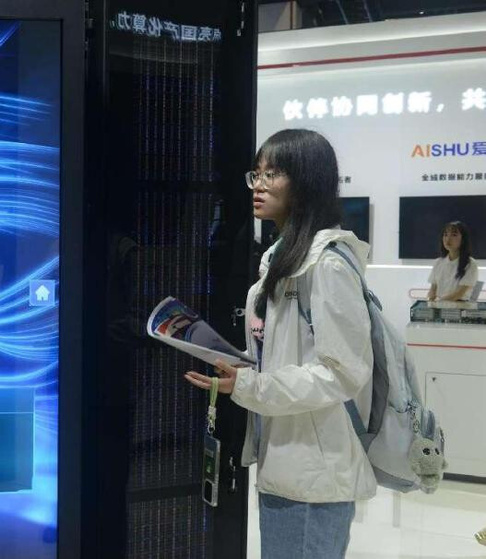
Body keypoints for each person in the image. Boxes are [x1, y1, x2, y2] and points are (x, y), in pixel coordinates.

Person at [184, 130, 375, 559]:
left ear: (307, 180)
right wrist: (239, 372)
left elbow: (342, 374)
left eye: (273, 174)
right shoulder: (280, 260)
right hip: (285, 461)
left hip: (315, 471)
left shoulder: (327, 265)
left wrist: (252, 386)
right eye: (257, 174)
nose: (259, 185)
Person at [427, 221, 478, 302]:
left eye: (454, 235)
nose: (448, 239)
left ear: (463, 239)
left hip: (459, 307)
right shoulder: (438, 262)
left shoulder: (470, 264)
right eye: (445, 235)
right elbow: (433, 289)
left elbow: (459, 294)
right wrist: (430, 299)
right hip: (438, 306)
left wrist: (439, 301)